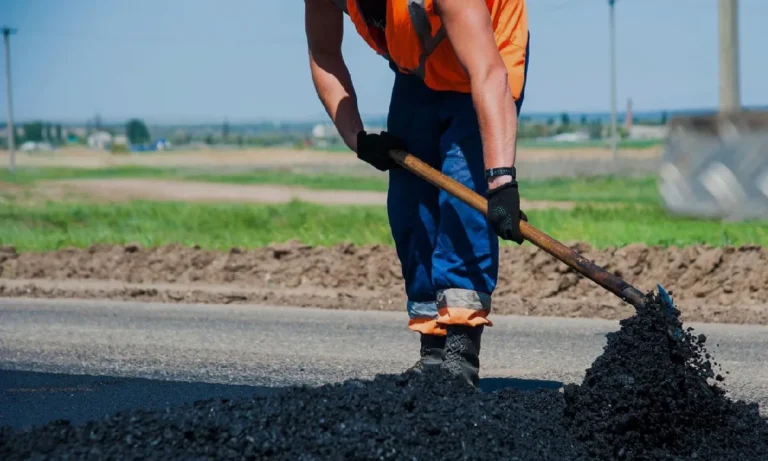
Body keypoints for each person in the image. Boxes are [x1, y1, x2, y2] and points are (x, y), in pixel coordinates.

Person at [304, 0, 530, 386]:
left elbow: (489, 72)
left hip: (485, 59)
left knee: (463, 203)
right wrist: (358, 138)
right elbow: (324, 54)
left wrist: (500, 182)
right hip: (418, 72)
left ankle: (461, 354)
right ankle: (433, 354)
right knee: (411, 208)